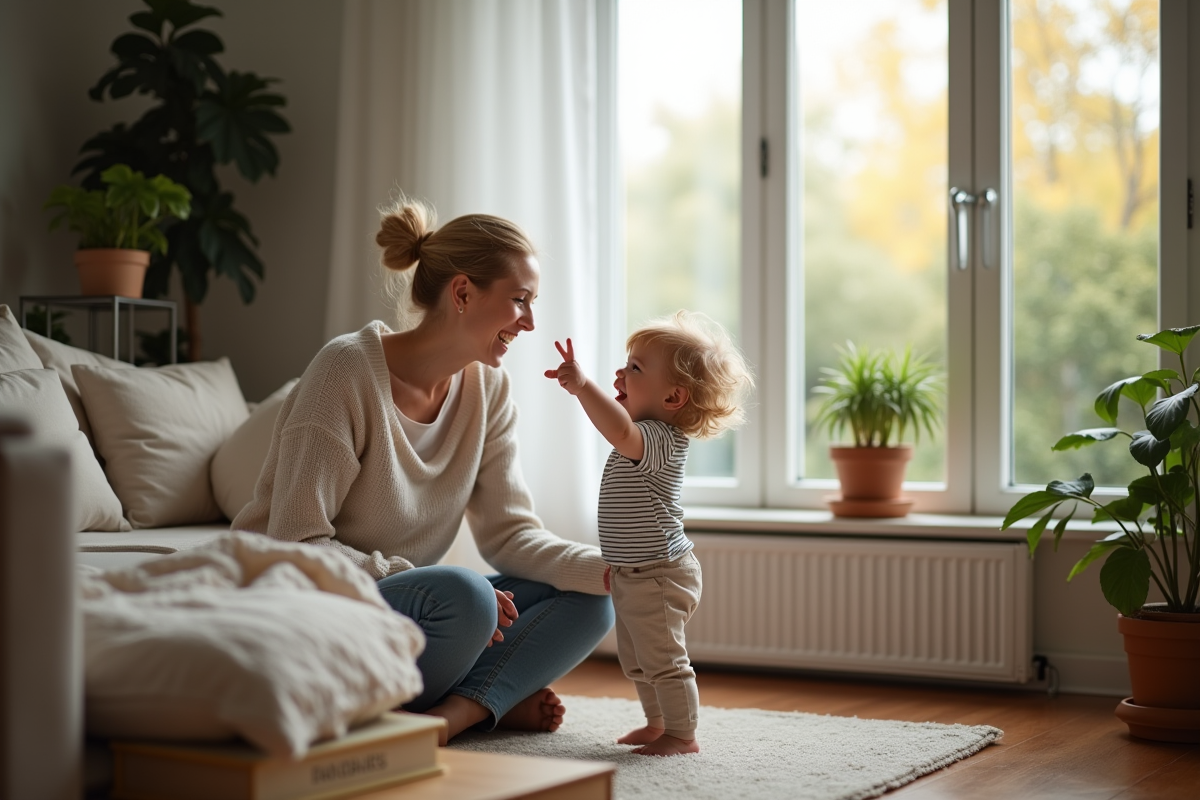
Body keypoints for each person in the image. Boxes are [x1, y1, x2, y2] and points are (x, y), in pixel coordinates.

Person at [233, 195, 614, 744]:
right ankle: (493, 696)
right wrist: (410, 580)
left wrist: (612, 571)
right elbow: (296, 542)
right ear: (462, 292)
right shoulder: (345, 372)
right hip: (308, 600)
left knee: (590, 598)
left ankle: (453, 714)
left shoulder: (490, 390)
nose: (530, 322)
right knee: (466, 599)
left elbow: (510, 534)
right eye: (520, 301)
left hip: (406, 607)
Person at [544, 311, 753, 756]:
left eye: (635, 368)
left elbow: (618, 430)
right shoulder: (644, 437)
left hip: (660, 574)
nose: (620, 372)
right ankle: (659, 724)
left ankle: (682, 734)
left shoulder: (661, 439)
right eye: (625, 363)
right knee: (638, 661)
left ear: (674, 397)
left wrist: (582, 386)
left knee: (664, 661)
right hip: (633, 572)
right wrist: (618, 564)